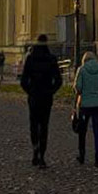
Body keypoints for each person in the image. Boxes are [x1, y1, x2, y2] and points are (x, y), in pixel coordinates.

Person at [19, 33, 62, 169]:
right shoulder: (51, 59)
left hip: (34, 96)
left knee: (33, 124)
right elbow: (59, 80)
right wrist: (51, 90)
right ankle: (42, 156)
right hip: (46, 97)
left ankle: (35, 149)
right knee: (44, 126)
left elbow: (23, 80)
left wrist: (30, 91)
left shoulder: (31, 59)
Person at [74, 50, 98, 167]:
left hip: (85, 105)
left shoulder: (81, 70)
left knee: (82, 131)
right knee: (97, 131)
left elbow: (78, 88)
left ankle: (82, 154)